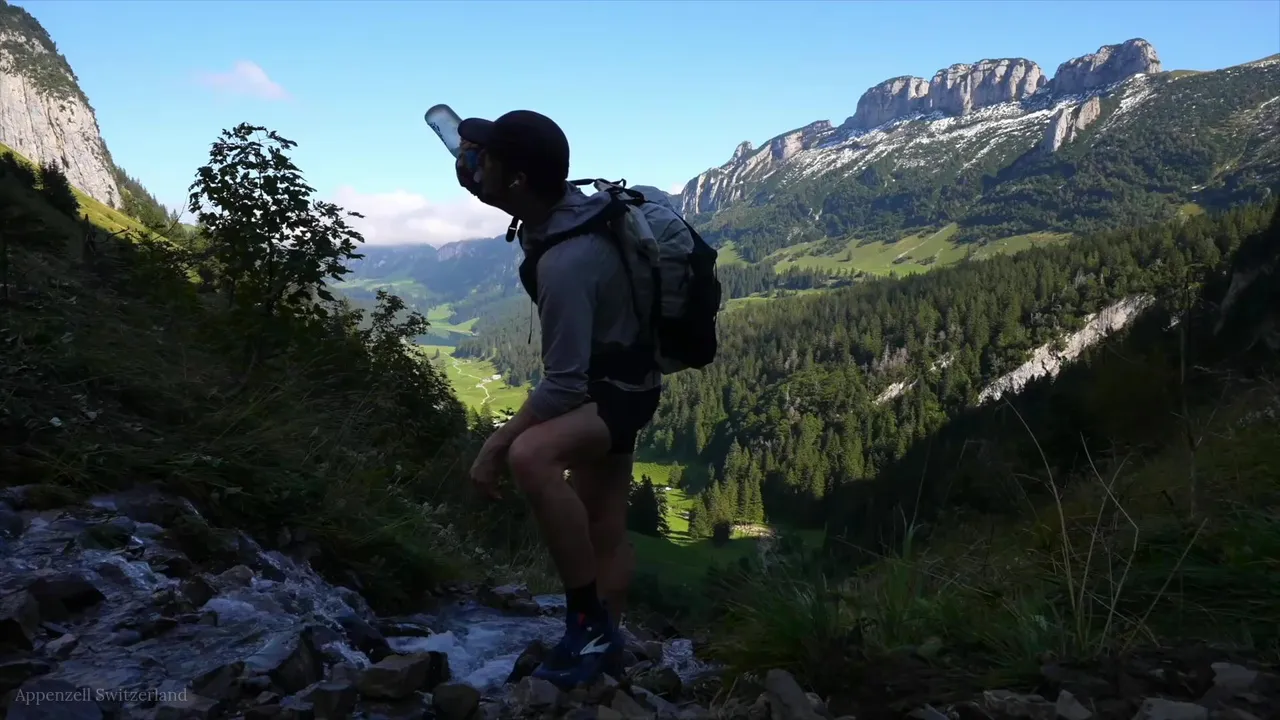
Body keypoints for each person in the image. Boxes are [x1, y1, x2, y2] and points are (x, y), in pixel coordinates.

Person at [455, 110, 662, 688]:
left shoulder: (568, 260)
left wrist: (495, 444)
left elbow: (564, 384)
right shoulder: (563, 209)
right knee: (603, 522)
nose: (473, 167)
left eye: (484, 160)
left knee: (531, 455)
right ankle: (606, 647)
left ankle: (586, 625)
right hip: (630, 378)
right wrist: (475, 153)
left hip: (612, 391)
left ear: (519, 179)